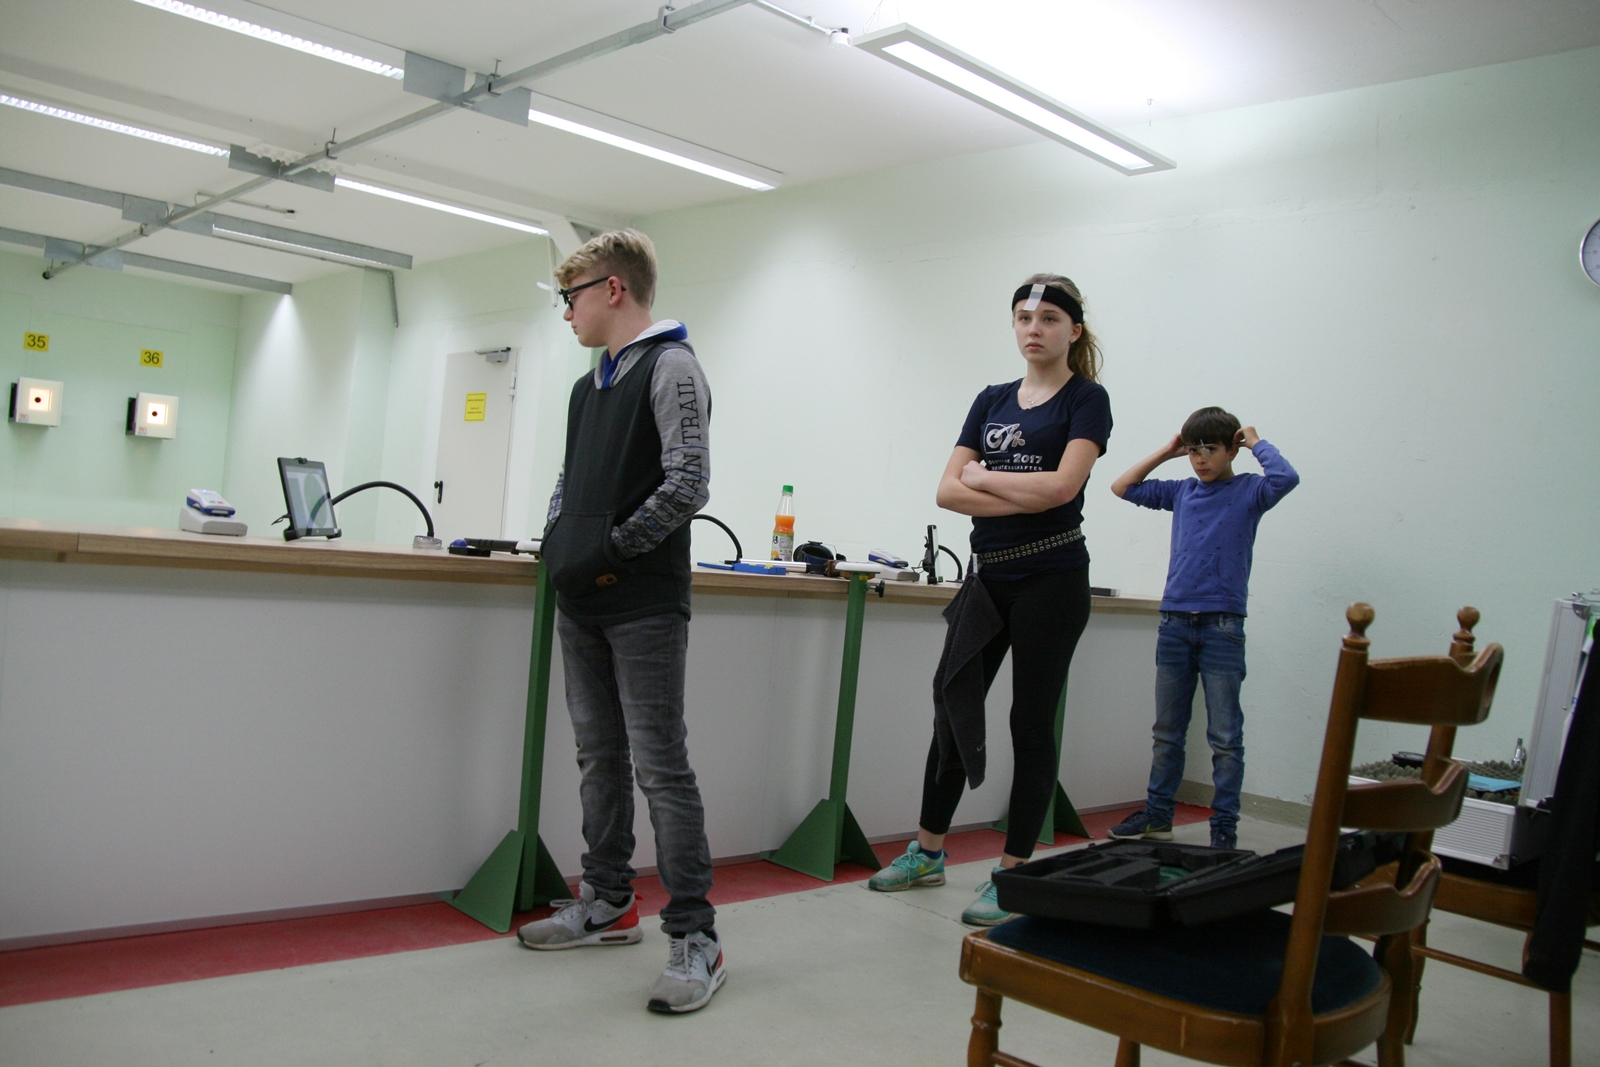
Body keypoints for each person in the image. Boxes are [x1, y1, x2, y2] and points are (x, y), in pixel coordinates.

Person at [516, 229, 724, 1015]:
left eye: (571, 297)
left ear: (613, 289)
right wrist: (560, 546)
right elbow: (570, 481)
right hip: (583, 600)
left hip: (642, 603)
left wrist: (609, 551)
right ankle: (606, 899)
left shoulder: (673, 368)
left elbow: (689, 484)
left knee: (660, 766)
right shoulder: (586, 387)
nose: (567, 312)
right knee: (597, 755)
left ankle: (696, 936)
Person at [868, 274, 1112, 927]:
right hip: (988, 580)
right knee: (952, 712)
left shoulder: (1087, 400)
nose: (1035, 328)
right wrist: (1007, 487)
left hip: (1052, 580)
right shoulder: (992, 399)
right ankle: (927, 852)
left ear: (1073, 331)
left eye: (1050, 318)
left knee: (1029, 725)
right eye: (1025, 317)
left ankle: (1014, 875)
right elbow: (947, 491)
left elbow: (1062, 490)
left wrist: (984, 475)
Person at [1107, 408, 1300, 850]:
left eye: (1210, 449)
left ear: (1232, 449)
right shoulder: (1183, 491)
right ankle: (1158, 816)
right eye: (1194, 450)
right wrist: (1167, 451)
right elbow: (1122, 487)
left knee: (1225, 737)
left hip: (1222, 626)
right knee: (1166, 733)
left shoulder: (1250, 490)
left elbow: (1285, 478)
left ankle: (1223, 828)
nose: (1200, 459)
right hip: (1175, 622)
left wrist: (1255, 441)